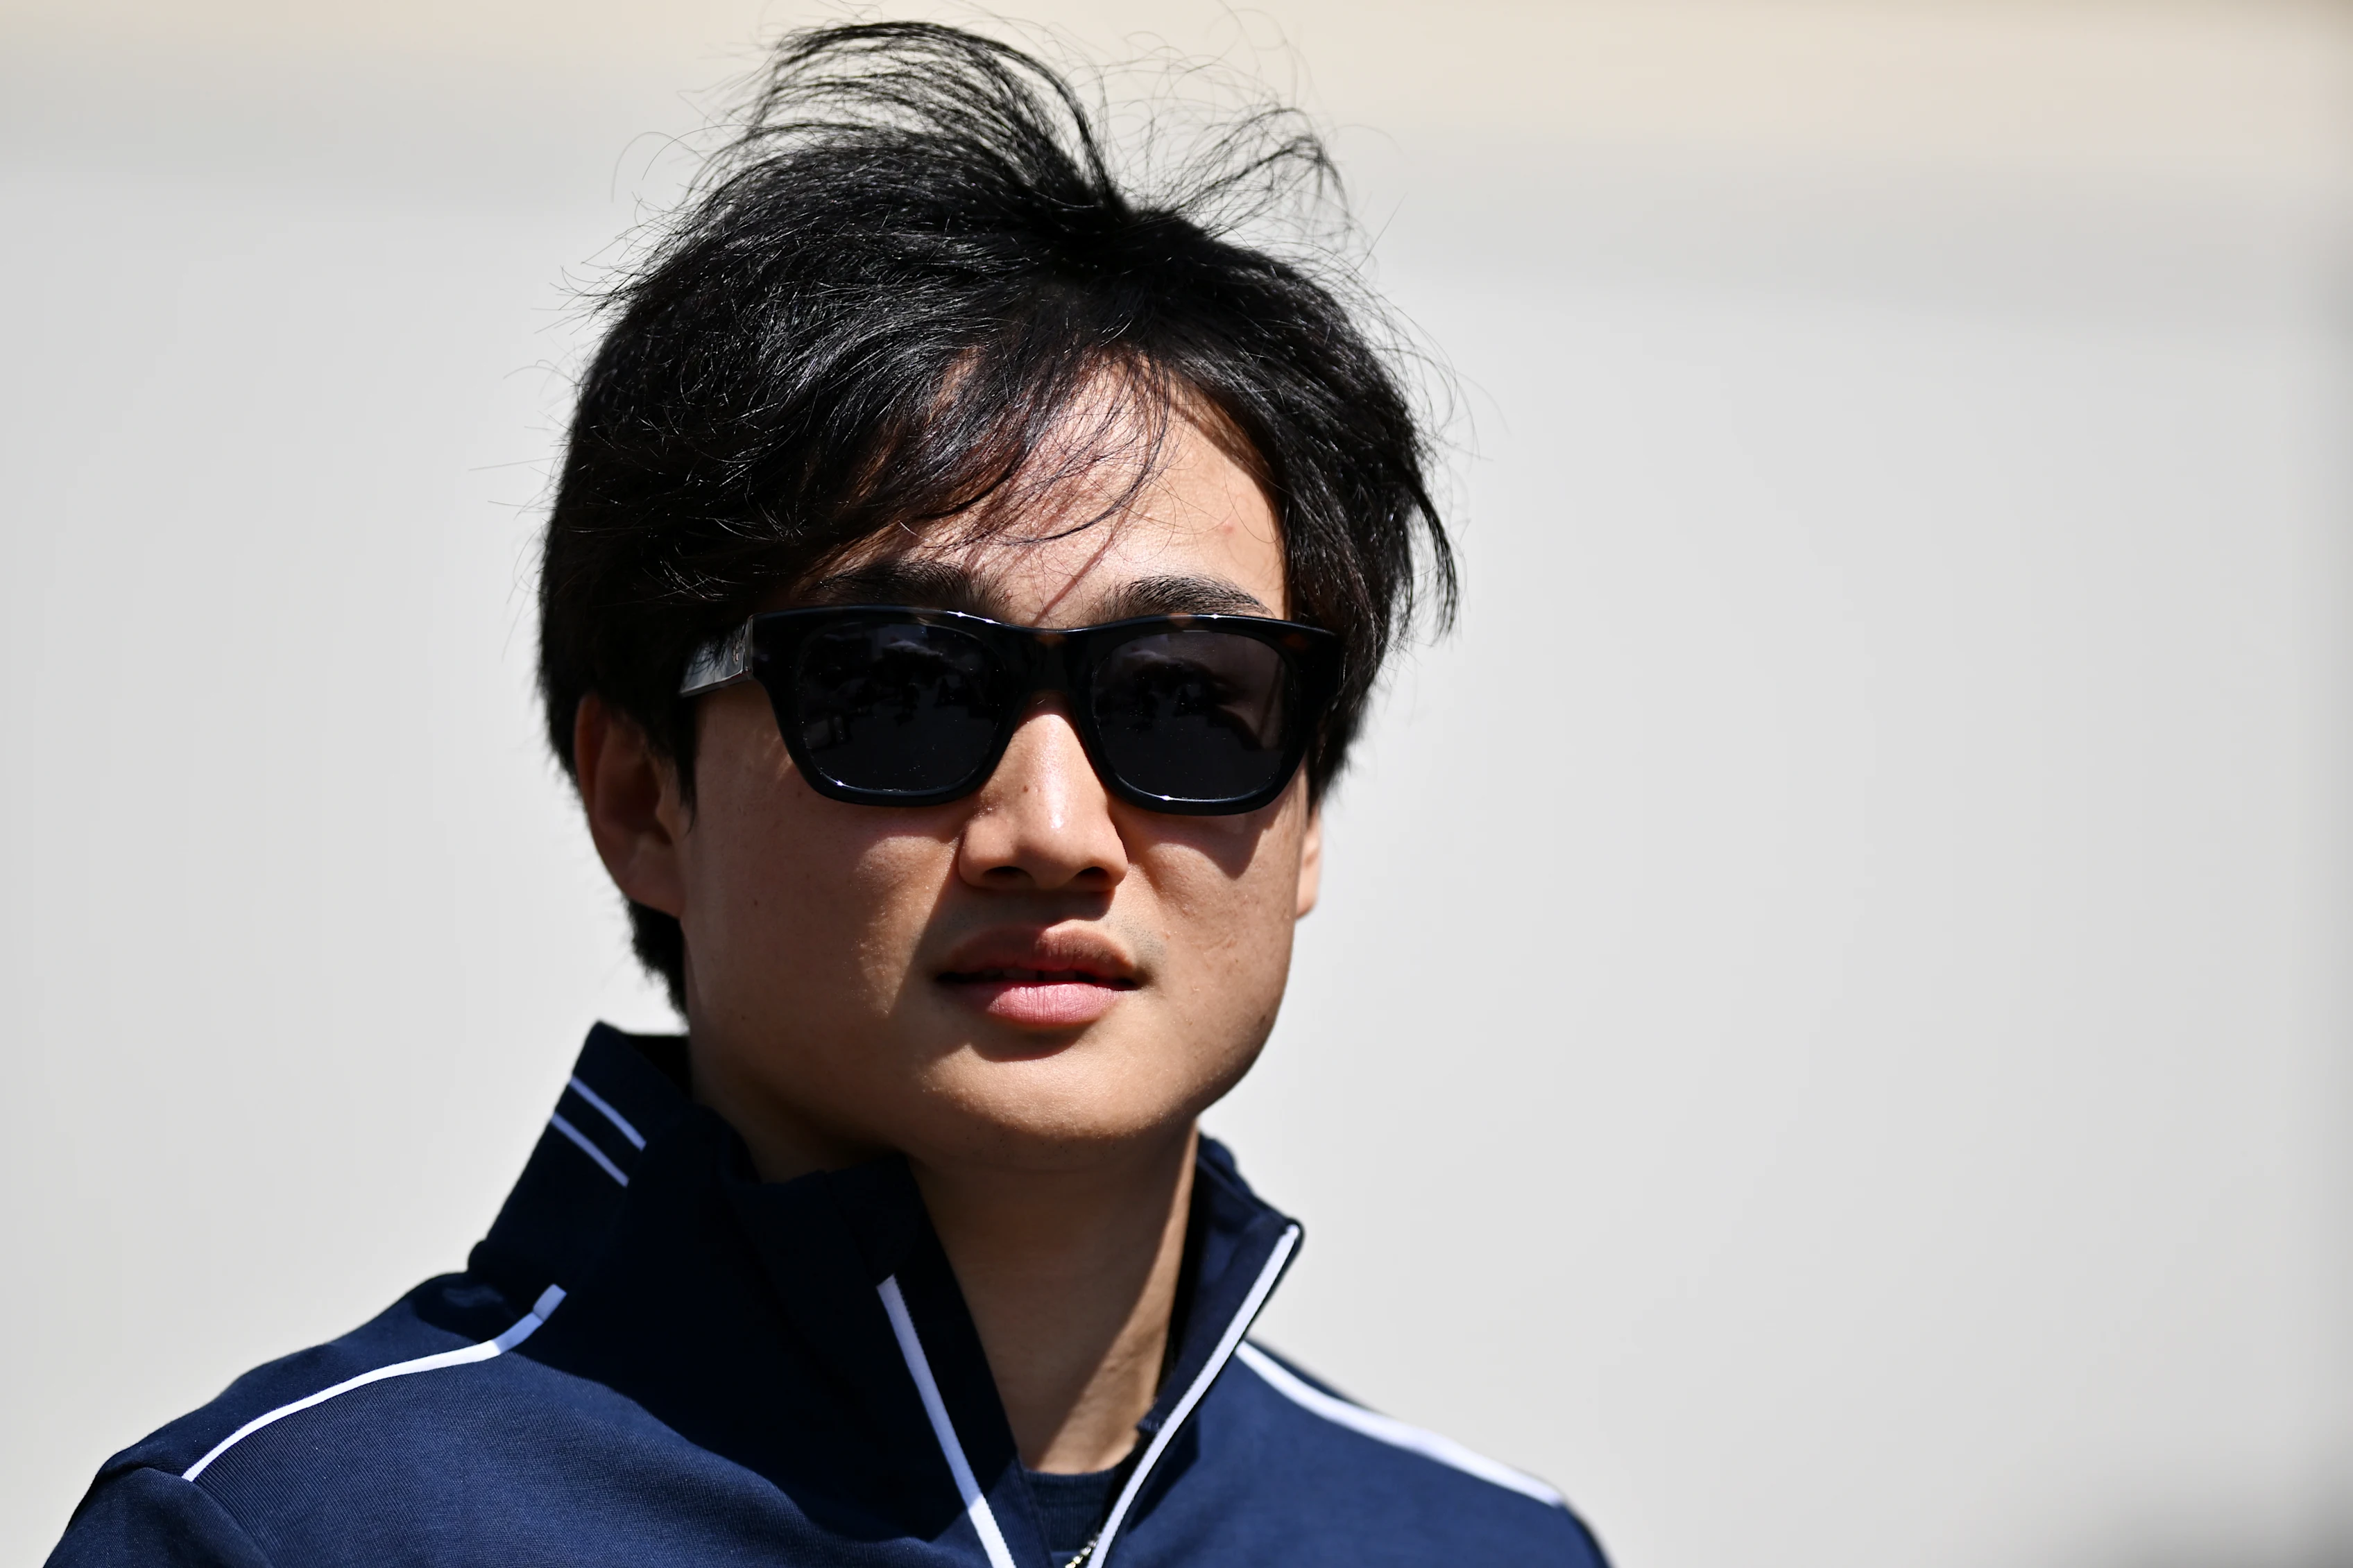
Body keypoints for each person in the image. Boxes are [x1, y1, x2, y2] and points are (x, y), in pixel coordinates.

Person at [49, 22, 1608, 1567]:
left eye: (1185, 701)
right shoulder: (293, 1532)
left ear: (1307, 809)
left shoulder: (1488, 1551)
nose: (1053, 831)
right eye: (901, 687)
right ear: (642, 797)